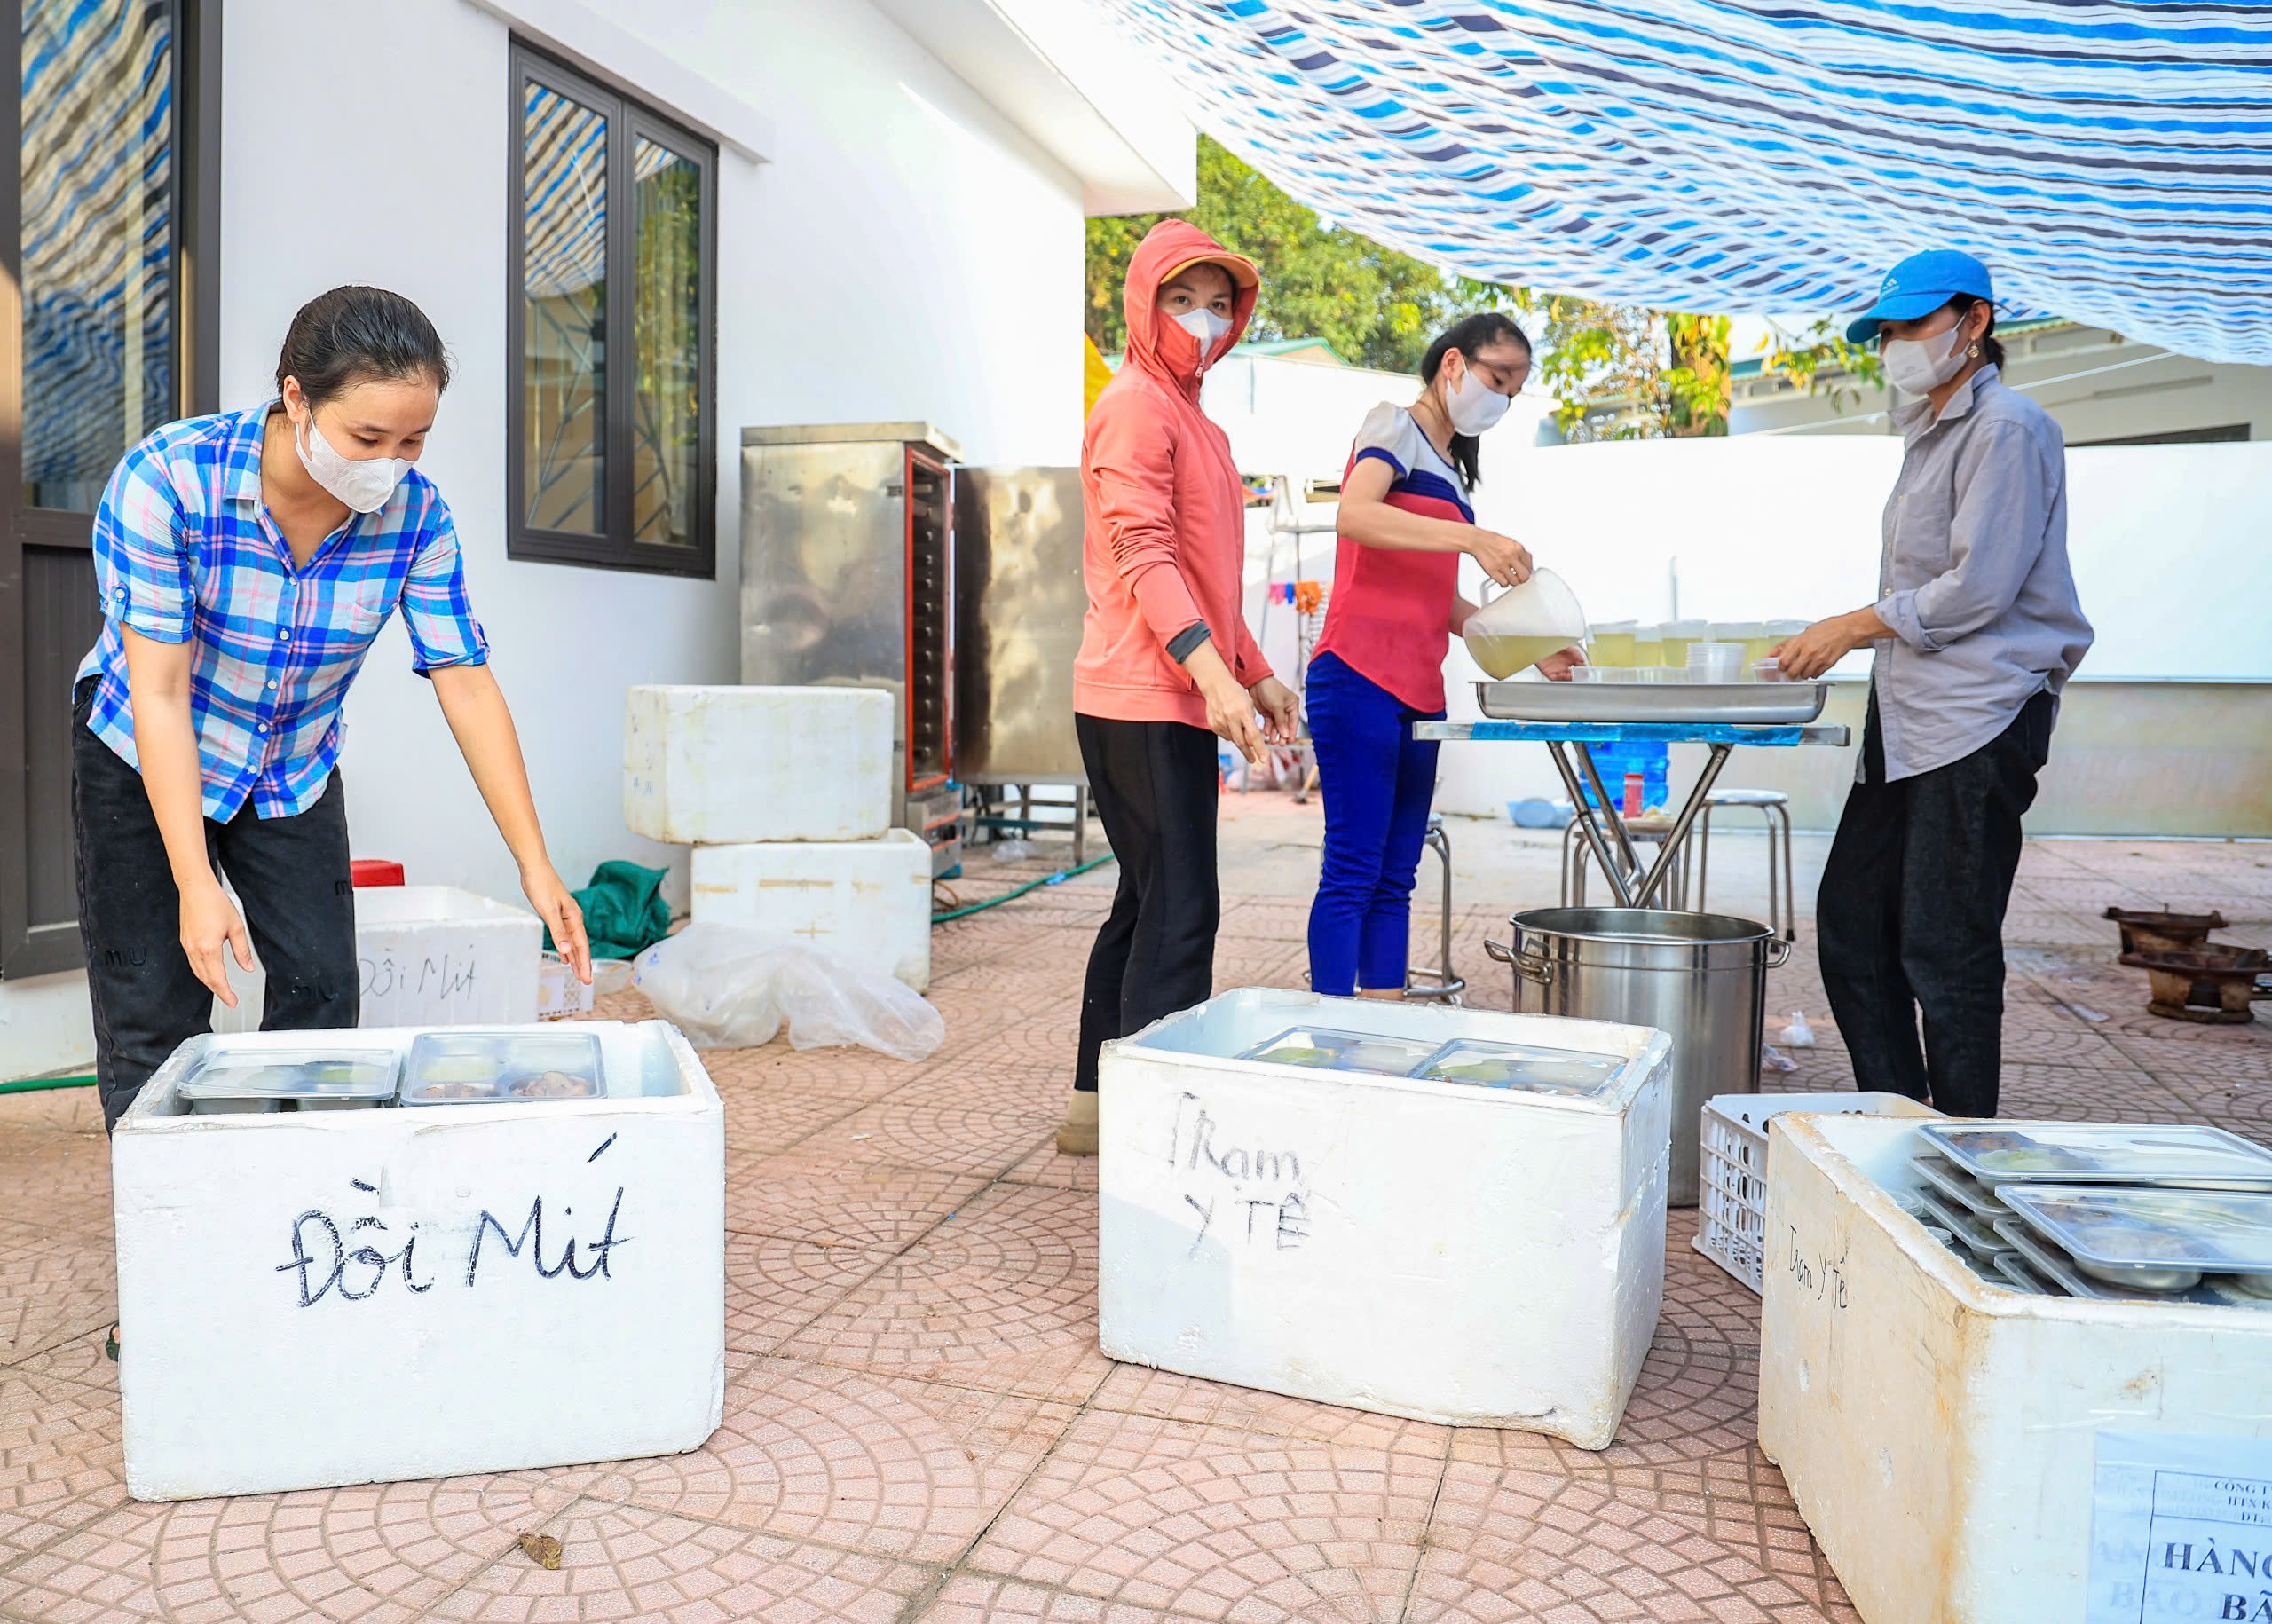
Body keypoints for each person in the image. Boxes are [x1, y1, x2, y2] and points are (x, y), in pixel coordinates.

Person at [73, 285, 593, 1133]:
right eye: (366, 437)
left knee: (321, 992)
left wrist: (534, 864)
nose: (389, 464)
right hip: (146, 753)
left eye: (414, 441)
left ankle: (289, 1210)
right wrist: (195, 881)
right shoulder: (168, 478)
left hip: (289, 765)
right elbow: (161, 694)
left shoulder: (416, 516)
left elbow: (464, 679)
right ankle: (178, 1231)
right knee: (153, 1010)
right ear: (295, 398)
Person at [1775, 249, 2092, 1116]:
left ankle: (1961, 1155)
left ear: (1974, 322)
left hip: (1979, 715)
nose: (1895, 346)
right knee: (1850, 929)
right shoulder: (1926, 431)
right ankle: (1903, 1128)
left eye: (1912, 326)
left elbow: (1976, 587)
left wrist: (1848, 625)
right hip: (1908, 713)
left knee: (1943, 949)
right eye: (1886, 332)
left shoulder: (2009, 428)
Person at [1061, 220, 1299, 1155]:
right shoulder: (1134, 406)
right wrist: (1212, 677)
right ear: (1141, 304)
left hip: (1168, 688)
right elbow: (1143, 554)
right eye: (1179, 299)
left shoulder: (1197, 421)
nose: (1201, 320)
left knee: (1147, 897)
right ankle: (1153, 1138)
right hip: (1140, 695)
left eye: (1216, 303)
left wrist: (1257, 672)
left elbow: (1204, 573)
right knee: (1181, 910)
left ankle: (1095, 1107)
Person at [1306, 313, 1579, 998]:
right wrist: (1472, 540)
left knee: (1396, 875)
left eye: (1516, 391)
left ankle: (1382, 1022)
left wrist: (1531, 645)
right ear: (1453, 364)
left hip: (1418, 690)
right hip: (1358, 676)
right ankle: (1332, 1028)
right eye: (1497, 379)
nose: (1504, 399)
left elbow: (1437, 601)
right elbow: (1355, 514)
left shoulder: (1451, 472)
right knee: (1353, 868)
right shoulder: (1392, 424)